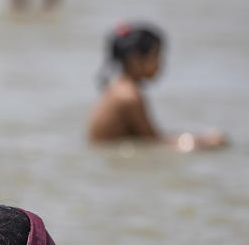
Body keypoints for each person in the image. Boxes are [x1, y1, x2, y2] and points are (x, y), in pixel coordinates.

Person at [87, 22, 227, 151]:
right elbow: (154, 142)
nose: (160, 64)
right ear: (135, 60)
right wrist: (203, 142)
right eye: (156, 56)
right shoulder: (129, 97)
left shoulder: (117, 89)